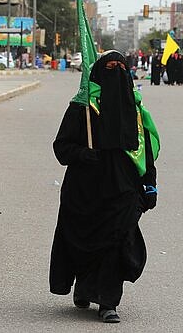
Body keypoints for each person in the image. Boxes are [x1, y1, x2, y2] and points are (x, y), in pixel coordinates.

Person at [50, 50, 159, 323]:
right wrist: (82, 154)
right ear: (98, 73)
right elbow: (61, 147)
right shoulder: (83, 107)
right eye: (110, 68)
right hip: (84, 191)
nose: (116, 73)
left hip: (123, 190)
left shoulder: (135, 110)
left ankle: (108, 302)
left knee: (117, 241)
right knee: (84, 242)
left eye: (122, 68)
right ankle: (84, 287)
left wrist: (150, 184)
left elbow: (144, 151)